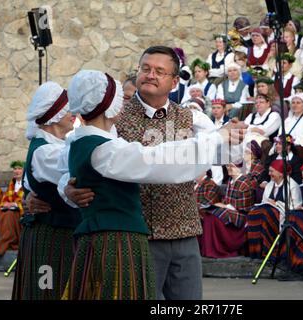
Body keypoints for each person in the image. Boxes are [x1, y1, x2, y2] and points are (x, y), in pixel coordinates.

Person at [61, 68, 236, 300]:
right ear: (108, 105)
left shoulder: (90, 139)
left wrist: (66, 186)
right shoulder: (104, 149)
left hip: (112, 238)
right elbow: (158, 161)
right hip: (115, 242)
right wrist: (217, 137)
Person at [113, 46, 247, 300]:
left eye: (159, 71)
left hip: (184, 232)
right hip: (138, 235)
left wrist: (235, 137)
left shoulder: (191, 118)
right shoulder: (116, 118)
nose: (150, 75)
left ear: (174, 82)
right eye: (145, 69)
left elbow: (229, 156)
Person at [12, 81, 81, 300]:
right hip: (52, 238)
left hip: (61, 235)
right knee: (48, 291)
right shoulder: (46, 151)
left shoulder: (55, 145)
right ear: (54, 113)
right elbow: (80, 175)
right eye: (68, 108)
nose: (74, 113)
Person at [246, 160, 302, 259]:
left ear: (281, 173)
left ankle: (268, 249)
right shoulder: (270, 185)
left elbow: (295, 206)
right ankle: (256, 251)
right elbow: (265, 201)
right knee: (253, 213)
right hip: (268, 211)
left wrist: (276, 203)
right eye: (269, 171)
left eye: (272, 171)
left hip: (283, 215)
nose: (269, 174)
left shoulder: (292, 185)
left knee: (264, 214)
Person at [199, 163, 255, 258]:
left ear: (239, 168)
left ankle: (218, 249)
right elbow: (226, 200)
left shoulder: (244, 183)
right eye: (228, 166)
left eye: (231, 166)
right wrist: (222, 205)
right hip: (229, 210)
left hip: (240, 216)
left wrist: (224, 206)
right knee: (208, 214)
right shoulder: (230, 181)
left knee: (213, 217)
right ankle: (209, 249)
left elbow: (243, 209)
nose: (228, 168)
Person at [0, 161, 25, 256]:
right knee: (1, 214)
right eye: (15, 169)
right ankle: (7, 239)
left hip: (20, 212)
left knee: (9, 215)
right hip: (10, 210)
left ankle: (8, 240)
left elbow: (27, 200)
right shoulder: (11, 184)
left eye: (19, 169)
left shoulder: (26, 184)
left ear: (24, 171)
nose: (16, 171)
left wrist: (15, 204)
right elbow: (4, 199)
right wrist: (5, 204)